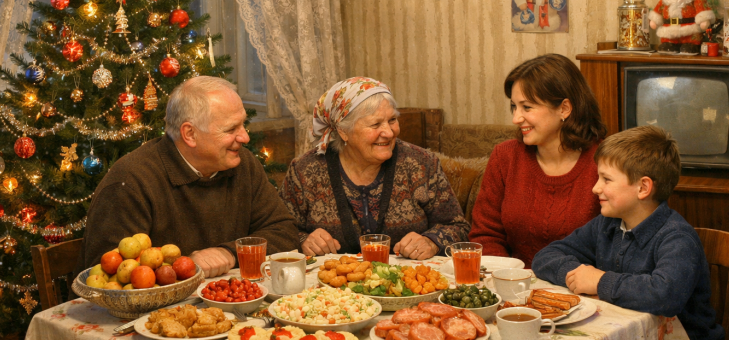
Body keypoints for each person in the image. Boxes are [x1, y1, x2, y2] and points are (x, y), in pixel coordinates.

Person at [76, 77, 299, 277]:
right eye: (231, 129)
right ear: (190, 134)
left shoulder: (243, 164)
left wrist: (229, 253)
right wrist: (185, 266)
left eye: (243, 125)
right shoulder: (130, 182)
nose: (244, 137)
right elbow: (107, 278)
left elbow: (284, 233)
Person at [532, 126, 724, 340]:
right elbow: (545, 257)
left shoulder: (677, 237)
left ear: (643, 188)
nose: (596, 188)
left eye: (606, 179)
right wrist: (579, 277)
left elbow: (664, 295)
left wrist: (600, 281)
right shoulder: (607, 224)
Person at [278, 77, 470, 260]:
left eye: (392, 120)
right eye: (375, 124)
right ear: (343, 131)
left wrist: (432, 241)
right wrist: (303, 240)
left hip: (406, 281)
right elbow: (279, 229)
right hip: (330, 283)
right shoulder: (305, 171)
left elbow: (458, 227)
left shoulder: (422, 163)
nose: (389, 132)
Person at [469, 54, 606, 268]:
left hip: (579, 285)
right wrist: (511, 278)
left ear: (564, 109)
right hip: (512, 283)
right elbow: (486, 235)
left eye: (527, 107)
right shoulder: (505, 157)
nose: (516, 118)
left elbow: (617, 248)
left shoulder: (606, 161)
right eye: (514, 107)